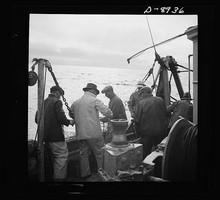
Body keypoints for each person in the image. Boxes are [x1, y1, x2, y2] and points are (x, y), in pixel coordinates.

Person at [70, 83, 113, 179]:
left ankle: (85, 174)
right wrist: (110, 114)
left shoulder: (76, 102)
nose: (97, 94)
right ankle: (102, 173)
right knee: (99, 153)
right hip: (94, 134)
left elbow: (71, 113)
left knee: (83, 154)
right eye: (96, 92)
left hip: (80, 133)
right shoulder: (95, 100)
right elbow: (108, 113)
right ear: (93, 91)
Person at [35, 86, 74, 181]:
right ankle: (59, 180)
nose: (60, 97)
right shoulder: (57, 101)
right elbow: (61, 118)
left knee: (52, 157)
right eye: (60, 95)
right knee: (61, 156)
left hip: (44, 137)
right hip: (56, 137)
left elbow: (36, 119)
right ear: (57, 93)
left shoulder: (43, 101)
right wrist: (69, 122)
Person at [134, 86, 169, 158]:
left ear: (144, 93)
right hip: (161, 132)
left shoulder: (141, 103)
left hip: (147, 133)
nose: (141, 96)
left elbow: (137, 120)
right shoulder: (160, 100)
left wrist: (138, 134)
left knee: (146, 152)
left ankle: (146, 166)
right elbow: (166, 114)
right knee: (160, 152)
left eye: (141, 94)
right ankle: (159, 166)